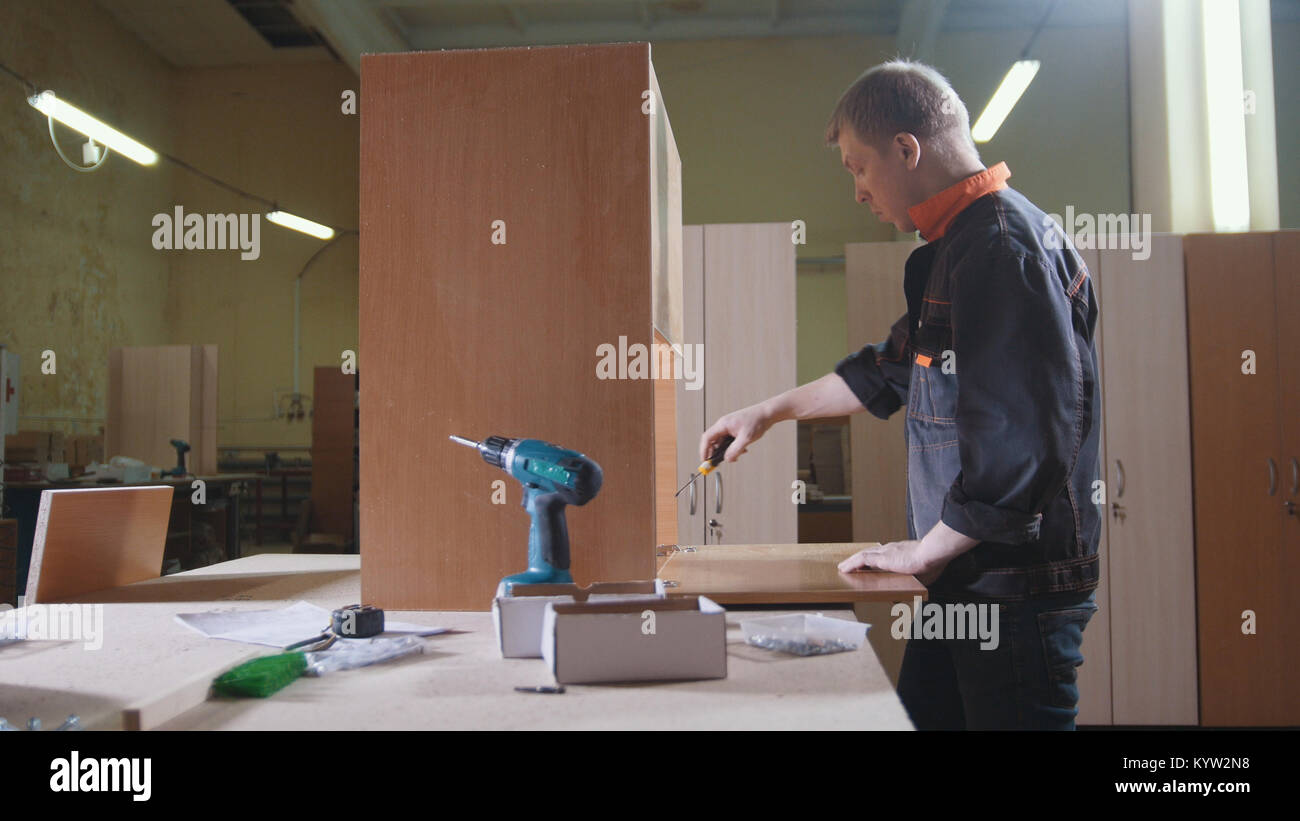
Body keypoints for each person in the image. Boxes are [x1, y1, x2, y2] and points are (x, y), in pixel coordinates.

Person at [699, 60, 1102, 730]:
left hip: (1011, 586)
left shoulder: (1000, 247)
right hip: (965, 572)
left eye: (858, 167)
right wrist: (765, 412)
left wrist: (923, 550)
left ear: (907, 149)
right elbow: (888, 371)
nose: (857, 190)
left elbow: (1024, 438)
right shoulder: (958, 248)